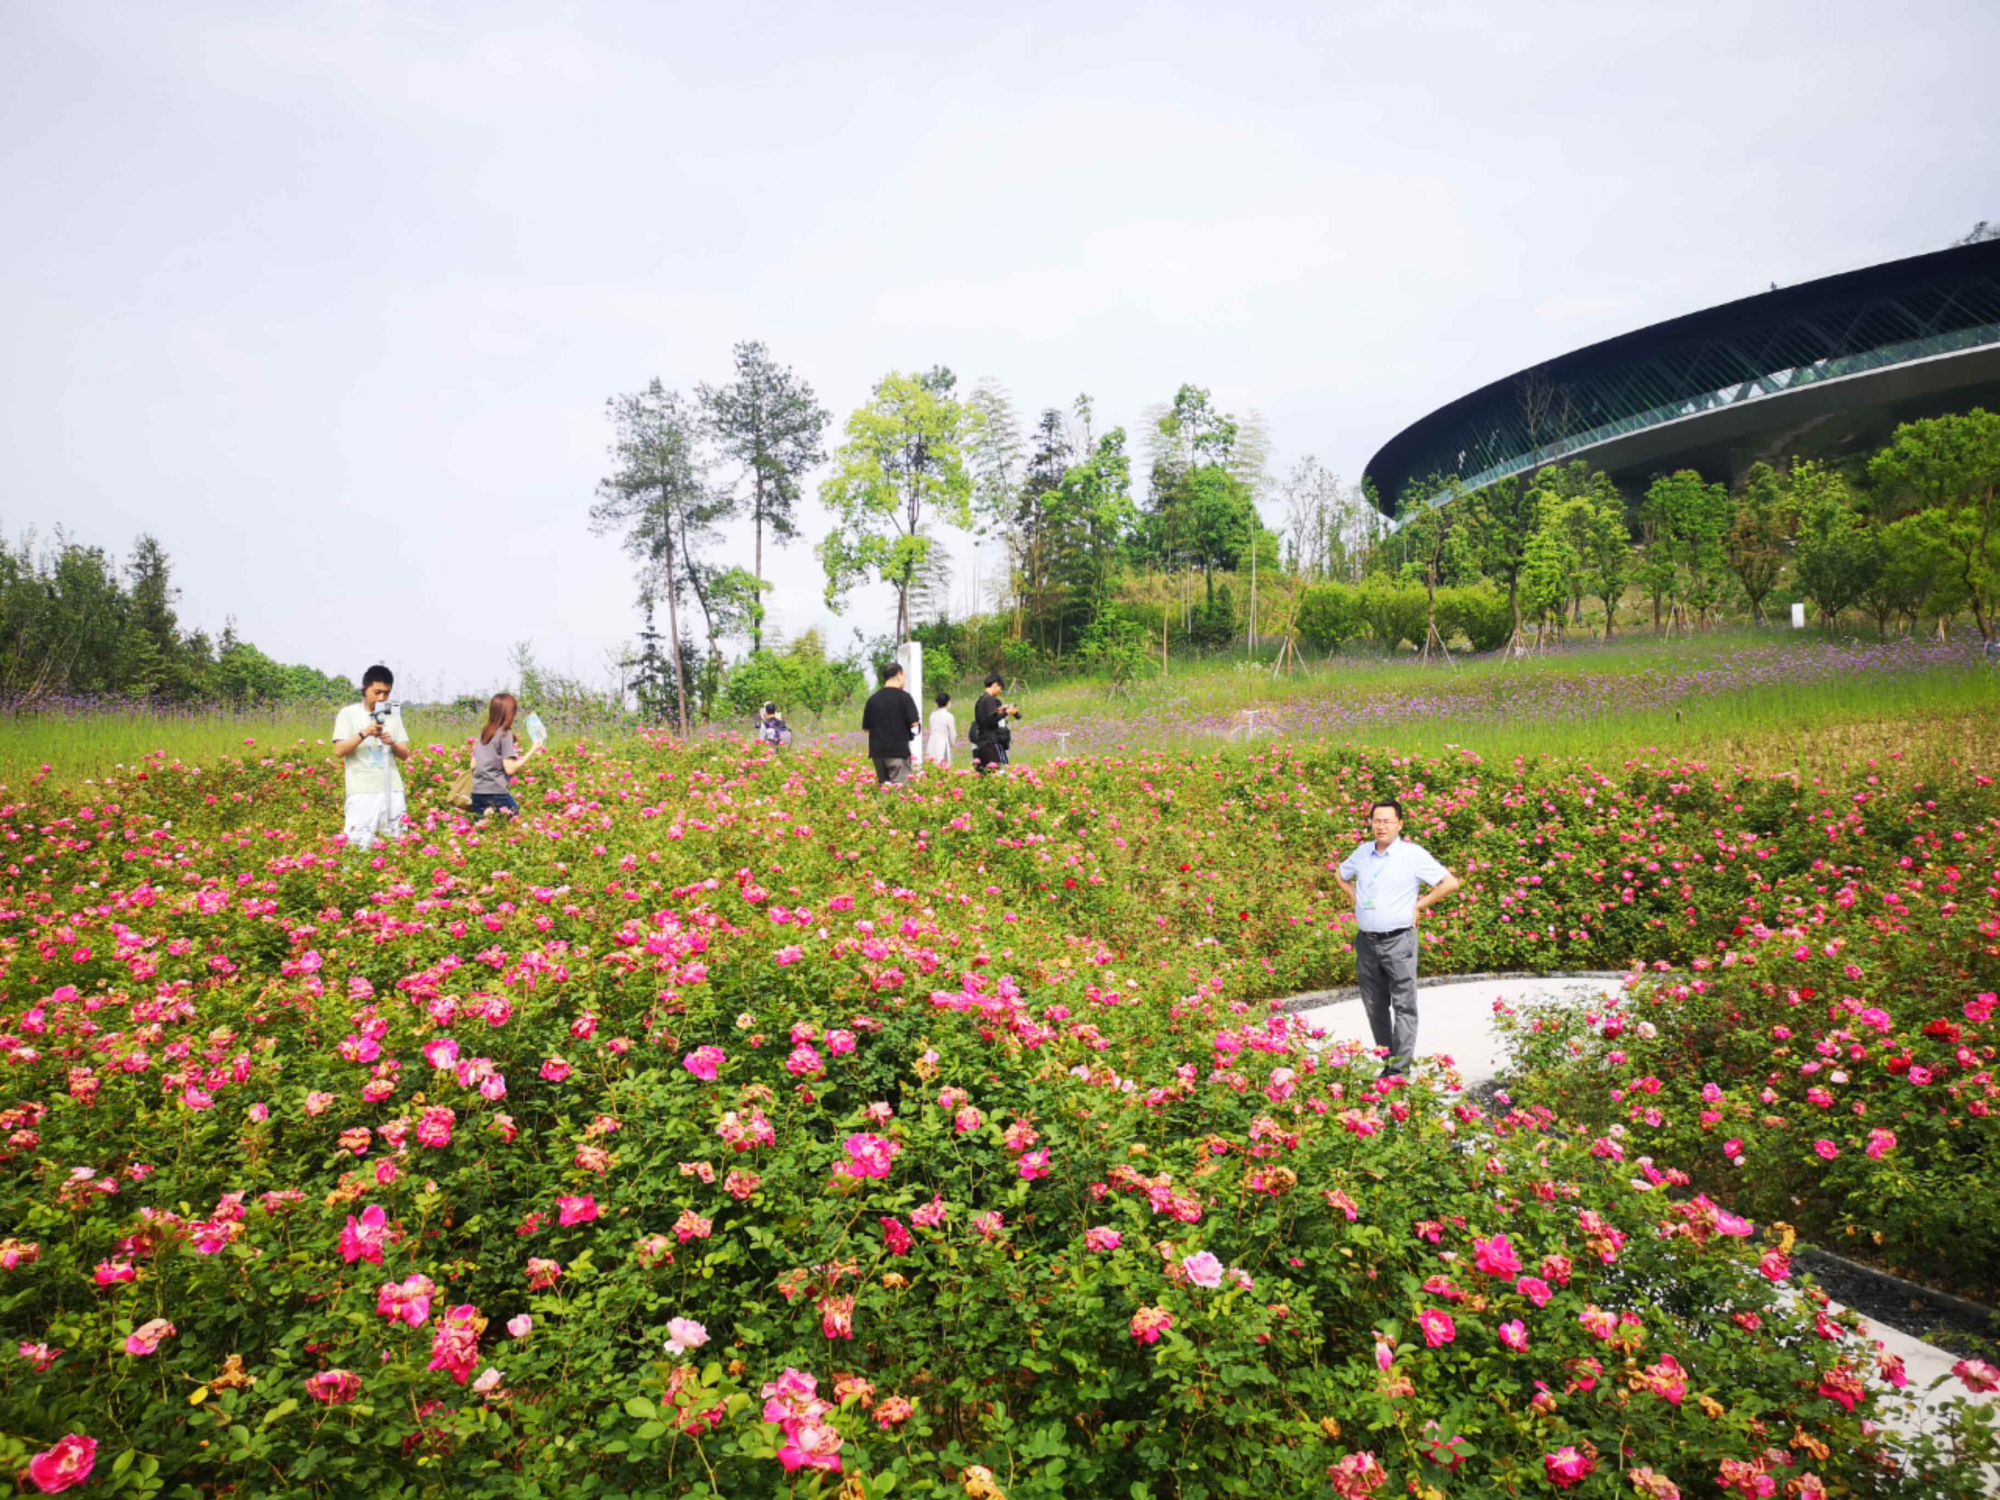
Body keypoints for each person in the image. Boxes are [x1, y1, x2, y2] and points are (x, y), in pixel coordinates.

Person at [1334, 799, 1462, 1080]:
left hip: (1399, 941)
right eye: (1376, 821)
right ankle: (1386, 1059)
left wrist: (1419, 905)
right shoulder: (1362, 853)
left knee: (1404, 1004)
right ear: (1370, 823)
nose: (1381, 826)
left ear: (1400, 824)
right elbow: (1340, 875)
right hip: (1366, 942)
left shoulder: (1412, 855)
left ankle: (1399, 1069)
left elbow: (1450, 882)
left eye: (1387, 821)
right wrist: (1356, 899)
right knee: (1375, 1005)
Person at [332, 665, 411, 850]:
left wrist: (392, 743)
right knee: (358, 844)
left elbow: (405, 753)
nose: (381, 698)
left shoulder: (392, 714)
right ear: (365, 689)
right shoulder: (348, 714)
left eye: (386, 693)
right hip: (362, 790)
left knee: (395, 842)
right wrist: (365, 733)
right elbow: (339, 750)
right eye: (377, 692)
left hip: (392, 788)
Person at [467, 692, 542, 819]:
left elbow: (473, 765)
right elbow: (510, 768)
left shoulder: (484, 733)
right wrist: (533, 750)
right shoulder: (505, 734)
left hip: (477, 792)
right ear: (509, 712)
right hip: (496, 792)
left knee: (482, 832)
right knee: (515, 826)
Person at [859, 660, 921, 785]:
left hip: (877, 753)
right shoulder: (905, 698)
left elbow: (866, 729)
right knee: (901, 790)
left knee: (885, 788)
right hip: (897, 752)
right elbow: (914, 723)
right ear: (899, 674)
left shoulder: (872, 700)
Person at [970, 674, 1019, 772]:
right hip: (991, 743)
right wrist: (1006, 712)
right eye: (1000, 688)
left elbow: (985, 718)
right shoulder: (990, 699)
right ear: (995, 685)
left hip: (981, 743)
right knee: (997, 774)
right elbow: (991, 720)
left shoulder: (981, 700)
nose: (1000, 692)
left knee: (985, 775)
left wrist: (998, 710)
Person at [925, 691, 957, 769]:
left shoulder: (932, 715)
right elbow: (952, 733)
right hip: (943, 742)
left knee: (932, 764)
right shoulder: (949, 716)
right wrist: (952, 743)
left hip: (932, 742)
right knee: (943, 765)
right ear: (947, 702)